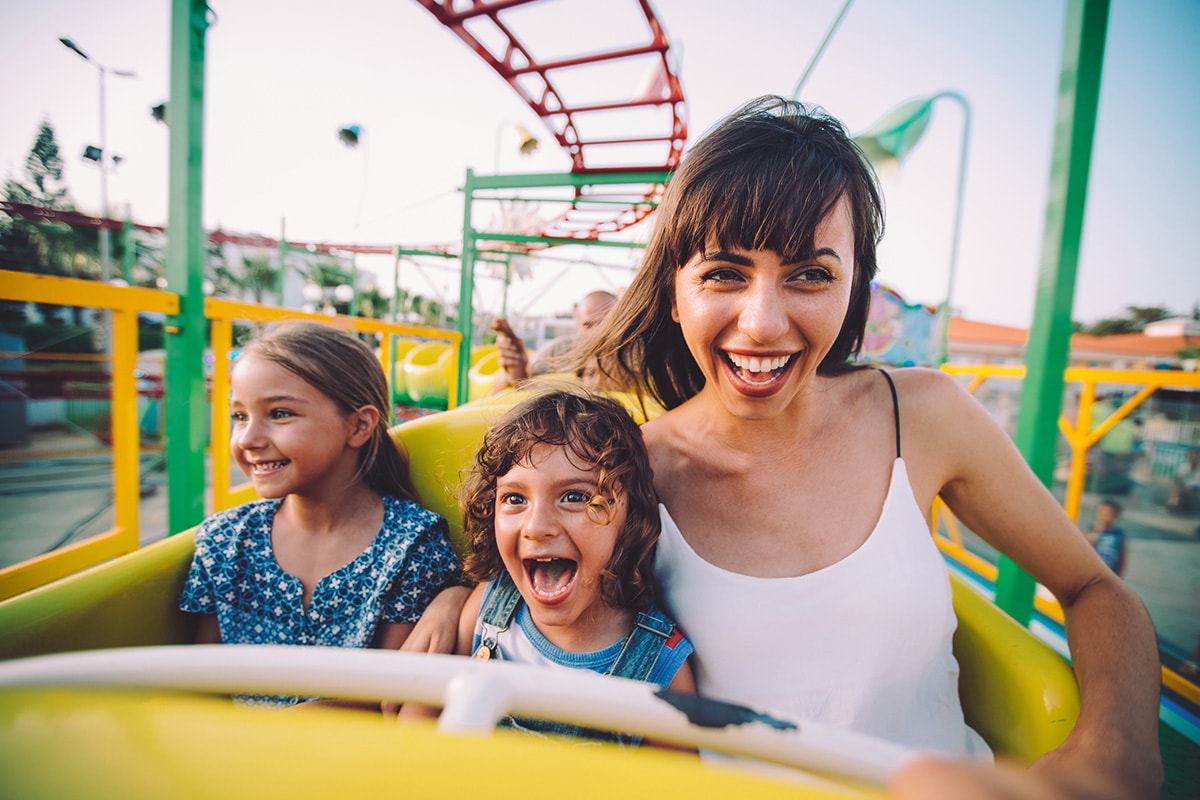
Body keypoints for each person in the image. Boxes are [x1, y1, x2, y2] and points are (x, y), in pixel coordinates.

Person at [568, 96, 1161, 797]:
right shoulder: (627, 474)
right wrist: (462, 599)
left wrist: (1113, 749)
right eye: (724, 273)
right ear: (673, 293)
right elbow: (536, 602)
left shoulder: (924, 415)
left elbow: (1095, 589)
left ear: (854, 290)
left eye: (810, 275)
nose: (762, 323)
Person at [178, 321, 464, 706]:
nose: (248, 439)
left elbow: (388, 701)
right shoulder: (225, 540)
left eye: (279, 414)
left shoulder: (412, 544)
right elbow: (202, 685)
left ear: (359, 425)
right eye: (240, 416)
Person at [404, 387, 695, 747]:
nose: (537, 526)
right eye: (515, 498)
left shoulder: (660, 666)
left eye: (575, 496)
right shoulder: (489, 608)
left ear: (631, 516)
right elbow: (418, 723)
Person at [490, 290, 617, 391]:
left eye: (605, 323)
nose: (597, 332)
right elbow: (520, 382)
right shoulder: (560, 350)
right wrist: (517, 370)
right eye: (588, 325)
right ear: (577, 325)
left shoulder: (633, 356)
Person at [1083, 499, 1127, 577]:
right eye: (1102, 512)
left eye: (1109, 513)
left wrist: (1119, 576)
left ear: (1116, 515)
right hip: (1091, 572)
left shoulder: (1119, 534)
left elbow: (1122, 557)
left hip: (1110, 573)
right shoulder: (1089, 530)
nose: (1105, 515)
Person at [1165, 447, 1199, 513]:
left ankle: (1170, 504)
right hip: (1185, 486)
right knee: (1177, 487)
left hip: (1196, 488)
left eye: (1194, 455)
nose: (1192, 457)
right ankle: (1171, 503)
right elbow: (1177, 478)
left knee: (1179, 488)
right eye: (1190, 455)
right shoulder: (1184, 466)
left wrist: (1191, 488)